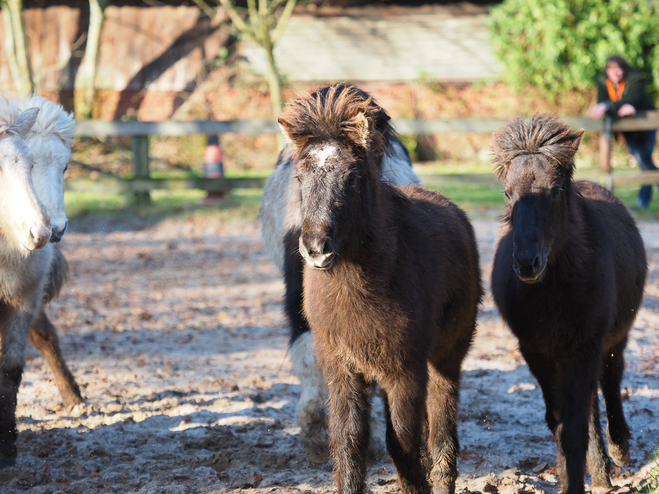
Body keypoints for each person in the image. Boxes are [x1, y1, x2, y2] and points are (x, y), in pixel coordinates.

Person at [589, 55, 657, 208]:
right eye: (612, 68)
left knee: (644, 160)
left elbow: (633, 98)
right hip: (626, 128)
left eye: (619, 68)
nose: (616, 72)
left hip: (646, 125)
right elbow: (604, 104)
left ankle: (643, 202)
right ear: (607, 70)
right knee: (643, 161)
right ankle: (643, 201)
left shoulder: (634, 79)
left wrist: (611, 106)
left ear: (624, 69)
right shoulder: (602, 81)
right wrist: (613, 107)